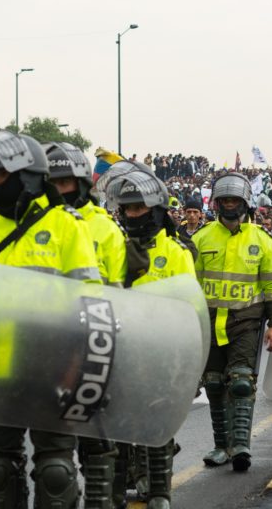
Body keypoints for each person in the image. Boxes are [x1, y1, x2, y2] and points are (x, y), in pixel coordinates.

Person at [0, 130, 100, 509]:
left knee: (55, 469)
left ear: (28, 176)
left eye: (0, 175)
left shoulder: (67, 226)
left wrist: (80, 367)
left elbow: (90, 302)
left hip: (57, 364)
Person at [102, 163, 196, 509]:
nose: (132, 214)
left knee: (158, 427)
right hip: (121, 351)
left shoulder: (176, 253)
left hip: (160, 354)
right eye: (127, 208)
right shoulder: (113, 248)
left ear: (156, 210)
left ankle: (159, 492)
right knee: (120, 430)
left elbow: (187, 309)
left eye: (139, 207)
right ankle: (120, 490)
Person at [46, 142, 126, 508]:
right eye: (53, 181)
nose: (60, 189)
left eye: (66, 182)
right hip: (45, 346)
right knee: (53, 460)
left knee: (96, 442)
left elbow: (116, 291)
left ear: (81, 182)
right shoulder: (37, 222)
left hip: (94, 345)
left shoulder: (107, 229)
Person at [192, 173, 272, 471]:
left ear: (245, 203)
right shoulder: (201, 238)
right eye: (225, 200)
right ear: (218, 204)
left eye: (235, 200)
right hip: (209, 323)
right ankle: (221, 446)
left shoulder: (263, 240)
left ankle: (241, 445)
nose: (229, 205)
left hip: (246, 322)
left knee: (242, 382)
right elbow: (188, 283)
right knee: (215, 384)